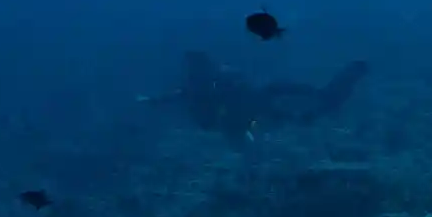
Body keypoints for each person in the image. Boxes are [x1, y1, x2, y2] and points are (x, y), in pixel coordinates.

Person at [151, 51, 370, 140]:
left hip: (253, 109)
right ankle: (326, 99)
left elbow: (176, 96)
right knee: (293, 110)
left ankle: (327, 98)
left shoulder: (214, 78)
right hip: (249, 115)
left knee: (292, 106)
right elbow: (177, 96)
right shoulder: (201, 84)